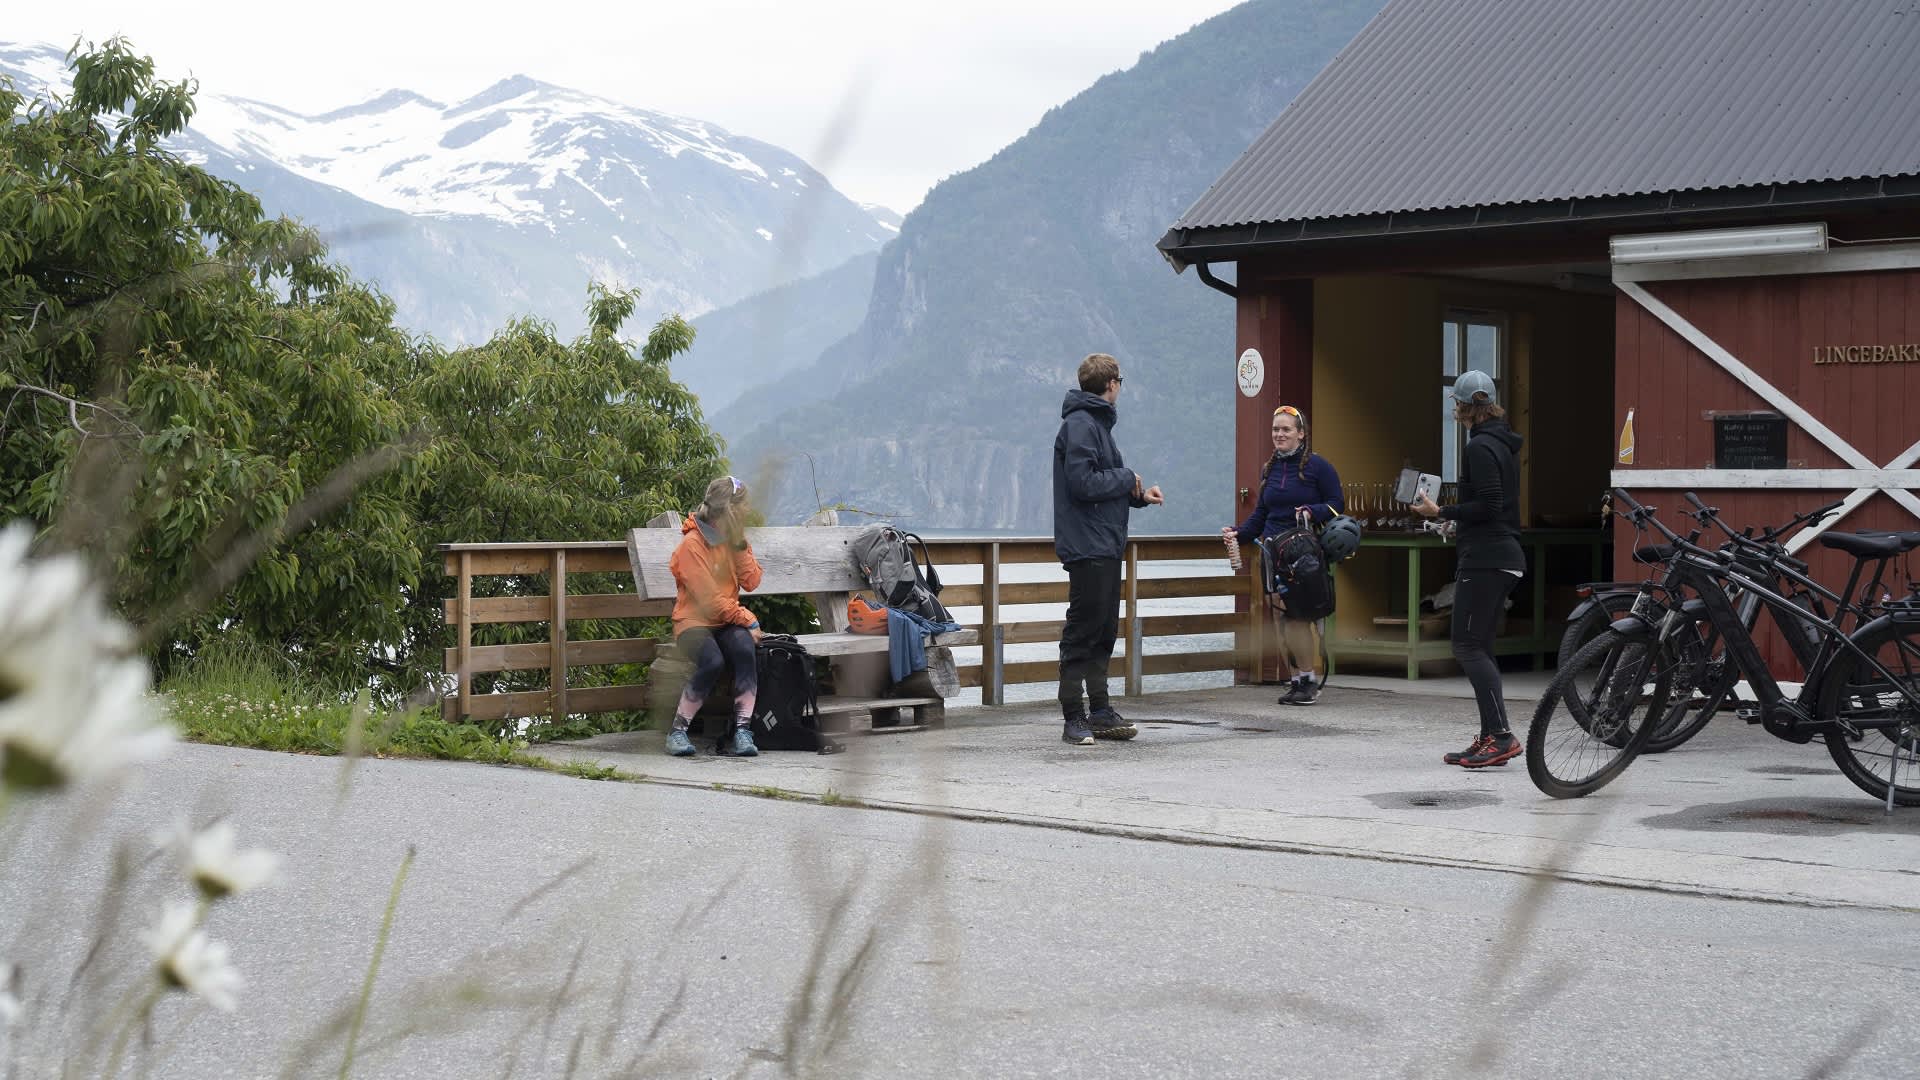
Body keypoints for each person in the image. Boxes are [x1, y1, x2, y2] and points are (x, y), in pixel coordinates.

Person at [1413, 369, 1525, 768]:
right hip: (1502, 554)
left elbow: (1491, 506)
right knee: (1481, 647)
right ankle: (1490, 736)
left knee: (1466, 645)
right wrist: (1455, 521)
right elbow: (1495, 507)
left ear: (1461, 406)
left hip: (1487, 558)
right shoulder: (1501, 442)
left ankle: (1501, 736)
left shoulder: (1479, 447)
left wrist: (1441, 509)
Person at [1052, 353, 1162, 746]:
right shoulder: (1081, 425)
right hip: (1087, 545)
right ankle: (1073, 716)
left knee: (1103, 630)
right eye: (1120, 382)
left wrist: (1138, 496)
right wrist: (1126, 476)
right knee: (1083, 631)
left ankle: (1099, 709)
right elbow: (1082, 484)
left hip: (1103, 542)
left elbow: (1102, 486)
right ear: (1112, 384)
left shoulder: (1094, 424)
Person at [1224, 404, 1344, 706]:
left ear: (1301, 434)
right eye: (1276, 429)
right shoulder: (1271, 468)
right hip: (1272, 551)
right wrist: (1240, 533)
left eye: (1286, 429)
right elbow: (1262, 513)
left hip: (1303, 552)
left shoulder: (1318, 466)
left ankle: (1309, 679)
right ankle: (1295, 680)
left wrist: (1310, 510)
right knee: (1281, 616)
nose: (1279, 434)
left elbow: (1336, 504)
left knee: (1297, 618)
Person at [665, 475, 765, 758]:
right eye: (743, 508)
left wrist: (739, 544)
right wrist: (750, 620)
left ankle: (743, 732)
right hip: (693, 623)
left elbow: (753, 580)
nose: (747, 512)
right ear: (729, 511)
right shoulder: (691, 546)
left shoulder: (728, 539)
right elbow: (709, 603)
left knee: (746, 649)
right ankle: (677, 731)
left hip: (724, 621)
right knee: (713, 661)